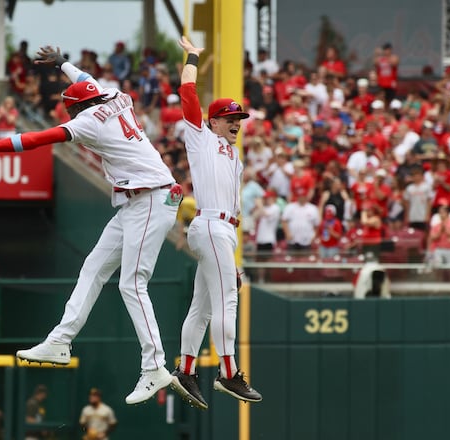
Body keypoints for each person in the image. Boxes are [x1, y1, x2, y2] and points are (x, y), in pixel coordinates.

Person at [0, 44, 180, 405]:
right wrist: (62, 63)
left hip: (152, 198)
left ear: (74, 108)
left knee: (132, 283)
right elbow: (84, 80)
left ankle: (155, 366)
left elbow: (35, 139)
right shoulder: (116, 95)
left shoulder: (86, 122)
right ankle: (60, 341)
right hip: (138, 200)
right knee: (93, 268)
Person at [168, 35, 262, 411]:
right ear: (215, 121)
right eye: (231, 118)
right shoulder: (201, 138)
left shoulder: (234, 156)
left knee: (203, 307)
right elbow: (186, 88)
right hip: (210, 225)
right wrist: (192, 54)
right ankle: (228, 372)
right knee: (227, 301)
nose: (237, 123)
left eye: (239, 118)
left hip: (223, 231)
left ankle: (186, 369)